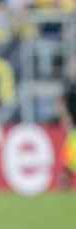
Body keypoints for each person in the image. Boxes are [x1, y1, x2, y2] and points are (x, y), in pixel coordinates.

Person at [58, 55, 76, 189]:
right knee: (70, 162)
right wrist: (65, 119)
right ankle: (64, 185)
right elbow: (62, 103)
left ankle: (64, 184)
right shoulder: (69, 86)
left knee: (70, 163)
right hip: (74, 129)